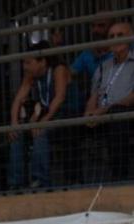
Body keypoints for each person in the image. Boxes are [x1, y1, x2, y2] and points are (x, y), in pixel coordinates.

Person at [8, 44, 73, 188]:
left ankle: (41, 181)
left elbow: (60, 98)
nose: (25, 67)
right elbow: (18, 100)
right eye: (24, 63)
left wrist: (43, 121)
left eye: (28, 63)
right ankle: (15, 183)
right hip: (46, 116)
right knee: (16, 134)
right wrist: (14, 123)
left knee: (40, 133)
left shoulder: (58, 69)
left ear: (42, 61)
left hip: (65, 115)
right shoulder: (31, 75)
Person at [84, 21, 134, 182]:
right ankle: (73, 183)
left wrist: (103, 111)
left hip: (126, 113)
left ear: (130, 38)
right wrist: (89, 114)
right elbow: (94, 95)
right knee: (70, 122)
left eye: (120, 35)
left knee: (117, 115)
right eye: (111, 36)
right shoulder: (102, 67)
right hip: (102, 115)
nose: (115, 39)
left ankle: (120, 178)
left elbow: (131, 97)